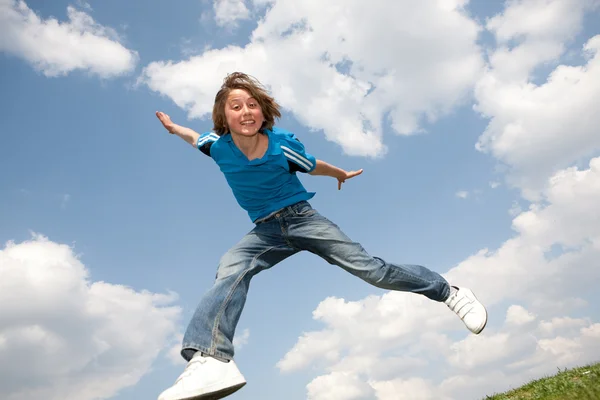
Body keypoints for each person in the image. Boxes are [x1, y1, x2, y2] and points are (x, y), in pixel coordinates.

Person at [155, 72, 487, 400]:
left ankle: (449, 291)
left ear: (262, 112)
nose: (246, 111)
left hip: (302, 219)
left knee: (371, 270)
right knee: (231, 267)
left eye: (252, 104)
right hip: (266, 231)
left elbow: (313, 165)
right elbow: (193, 136)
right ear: (223, 117)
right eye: (236, 106)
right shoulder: (217, 146)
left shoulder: (281, 146)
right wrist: (173, 129)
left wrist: (339, 173)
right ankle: (211, 358)